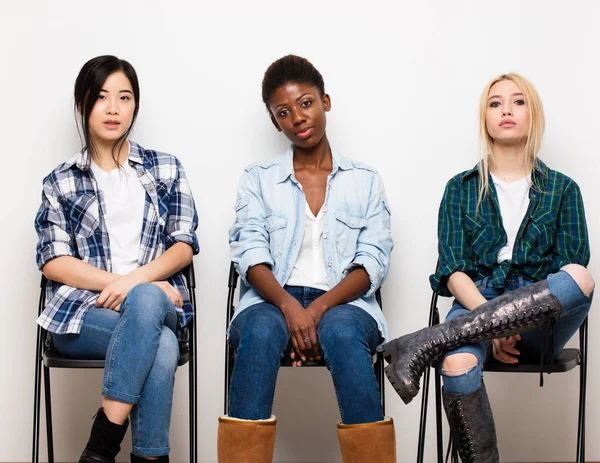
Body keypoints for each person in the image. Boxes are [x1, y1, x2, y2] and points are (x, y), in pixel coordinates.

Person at [383, 73, 594, 462]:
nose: (506, 110)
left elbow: (571, 267)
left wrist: (515, 323)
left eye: (518, 102)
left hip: (539, 317)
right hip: (477, 299)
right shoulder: (460, 188)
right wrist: (492, 324)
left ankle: (427, 340)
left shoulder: (563, 189)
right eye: (495, 103)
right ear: (485, 118)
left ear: (534, 114)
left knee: (580, 277)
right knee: (457, 361)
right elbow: (452, 269)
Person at [218, 55, 395, 463]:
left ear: (325, 102)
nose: (298, 117)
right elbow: (250, 252)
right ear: (274, 121)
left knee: (342, 333)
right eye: (284, 112)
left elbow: (373, 261)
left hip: (344, 303)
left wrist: (314, 310)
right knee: (261, 332)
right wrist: (289, 309)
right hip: (270, 300)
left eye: (306, 103)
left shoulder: (365, 180)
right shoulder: (257, 178)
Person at [34, 55, 199, 463]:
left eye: (124, 97)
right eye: (102, 97)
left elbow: (183, 245)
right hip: (82, 314)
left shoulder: (165, 168)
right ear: (82, 105)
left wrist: (138, 286)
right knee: (159, 342)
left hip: (157, 304)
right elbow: (53, 261)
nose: (113, 108)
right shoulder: (61, 180)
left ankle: (100, 448)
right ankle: (134, 454)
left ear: (135, 106)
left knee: (148, 308)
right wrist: (128, 286)